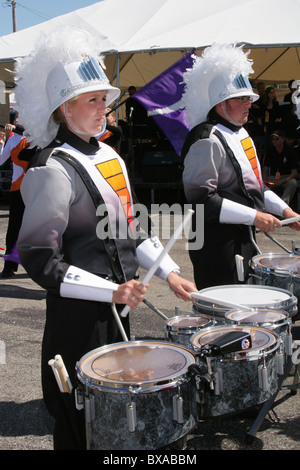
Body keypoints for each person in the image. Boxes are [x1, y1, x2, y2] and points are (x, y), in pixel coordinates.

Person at [14, 27, 196, 450]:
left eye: (104, 99)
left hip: (118, 309)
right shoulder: (51, 167)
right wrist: (111, 290)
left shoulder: (111, 154)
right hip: (78, 321)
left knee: (116, 424)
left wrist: (169, 273)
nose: (104, 108)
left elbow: (130, 230)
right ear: (65, 107)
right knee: (79, 425)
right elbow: (39, 258)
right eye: (92, 100)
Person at [181, 43, 300, 290]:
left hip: (242, 236)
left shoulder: (242, 133)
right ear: (221, 103)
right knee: (226, 313)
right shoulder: (206, 138)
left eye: (249, 98)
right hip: (214, 244)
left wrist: (286, 211)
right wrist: (255, 216)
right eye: (242, 98)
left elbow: (255, 187)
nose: (249, 103)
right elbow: (201, 201)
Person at [0, 121, 26, 277]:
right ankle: (10, 265)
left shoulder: (40, 136)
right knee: (14, 228)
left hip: (40, 190)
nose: (16, 121)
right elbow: (1, 162)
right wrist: (2, 143)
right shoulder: (13, 139)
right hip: (18, 189)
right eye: (16, 118)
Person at [263, 129, 298, 205]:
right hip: (273, 178)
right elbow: (266, 169)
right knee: (260, 185)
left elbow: (294, 172)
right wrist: (264, 180)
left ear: (283, 139)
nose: (274, 141)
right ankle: (264, 207)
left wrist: (284, 180)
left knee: (292, 183)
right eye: (273, 139)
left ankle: (283, 206)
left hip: (285, 177)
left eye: (277, 139)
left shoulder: (290, 151)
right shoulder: (270, 150)